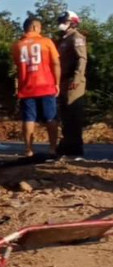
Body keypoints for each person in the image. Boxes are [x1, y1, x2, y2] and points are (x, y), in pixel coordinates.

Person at [11, 15, 61, 158]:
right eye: (39, 27)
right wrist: (57, 83)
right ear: (34, 27)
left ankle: (28, 150)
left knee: (29, 119)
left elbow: (18, 65)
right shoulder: (46, 42)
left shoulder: (17, 45)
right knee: (51, 117)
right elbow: (56, 63)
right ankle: (52, 148)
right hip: (46, 85)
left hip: (27, 87)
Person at [56, 10, 87, 159]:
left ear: (73, 23)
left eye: (65, 21)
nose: (62, 24)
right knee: (66, 115)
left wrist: (76, 79)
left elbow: (82, 59)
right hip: (63, 81)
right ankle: (66, 145)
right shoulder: (63, 39)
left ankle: (75, 149)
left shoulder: (76, 38)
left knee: (74, 115)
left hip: (73, 81)